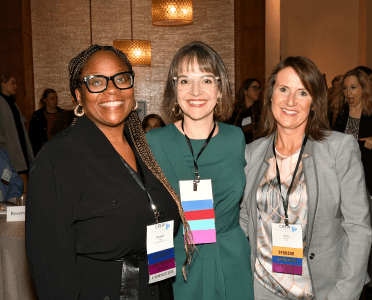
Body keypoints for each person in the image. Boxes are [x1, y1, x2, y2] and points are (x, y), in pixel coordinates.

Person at [26, 45, 193, 300]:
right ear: (78, 96)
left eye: (121, 78)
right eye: (96, 82)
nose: (112, 89)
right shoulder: (56, 161)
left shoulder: (145, 149)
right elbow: (52, 275)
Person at [240, 56, 372, 300]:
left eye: (302, 92)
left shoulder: (339, 148)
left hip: (320, 288)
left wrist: (344, 294)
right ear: (270, 96)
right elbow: (245, 216)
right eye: (283, 89)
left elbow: (358, 228)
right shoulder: (252, 152)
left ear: (314, 102)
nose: (290, 101)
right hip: (261, 286)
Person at [145, 41, 254, 300]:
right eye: (185, 81)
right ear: (174, 89)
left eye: (206, 80)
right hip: (177, 262)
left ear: (219, 89)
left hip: (232, 261)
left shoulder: (235, 138)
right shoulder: (154, 142)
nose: (196, 91)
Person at [330, 68, 372, 300]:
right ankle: (348, 277)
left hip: (371, 183)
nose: (348, 92)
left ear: (364, 89)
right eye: (345, 88)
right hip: (344, 183)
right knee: (344, 231)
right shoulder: (339, 114)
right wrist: (363, 142)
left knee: (371, 234)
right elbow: (335, 148)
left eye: (353, 87)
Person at [0, 74, 34, 191]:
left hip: (19, 149)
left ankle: (22, 206)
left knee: (22, 181)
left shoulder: (12, 102)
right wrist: (4, 143)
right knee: (15, 182)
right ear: (3, 83)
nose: (16, 86)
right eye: (12, 83)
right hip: (9, 151)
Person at [29, 88, 64, 156]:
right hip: (44, 152)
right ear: (45, 100)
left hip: (61, 150)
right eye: (52, 98)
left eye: (56, 98)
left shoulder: (62, 114)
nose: (55, 100)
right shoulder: (37, 116)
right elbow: (33, 137)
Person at [228, 78, 263, 143]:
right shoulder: (233, 109)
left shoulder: (262, 110)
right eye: (254, 88)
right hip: (236, 146)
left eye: (259, 88)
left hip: (255, 149)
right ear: (245, 91)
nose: (258, 91)